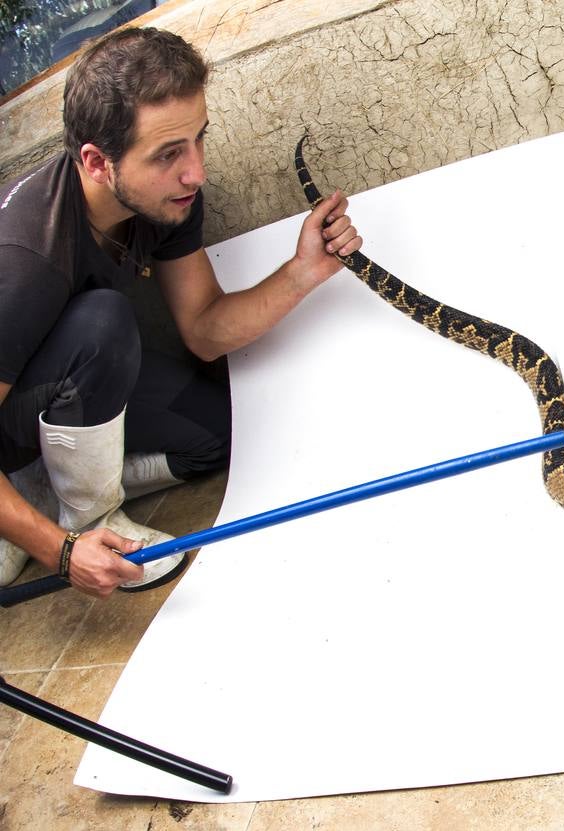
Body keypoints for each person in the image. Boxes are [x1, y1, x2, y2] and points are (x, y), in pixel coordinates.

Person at [0, 27, 361, 597]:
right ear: (97, 162)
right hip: (15, 420)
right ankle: (81, 519)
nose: (196, 172)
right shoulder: (23, 258)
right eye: (169, 154)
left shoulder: (162, 197)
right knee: (103, 321)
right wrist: (62, 552)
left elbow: (203, 328)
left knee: (218, 432)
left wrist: (303, 272)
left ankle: (46, 495)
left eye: (198, 140)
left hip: (66, 385)